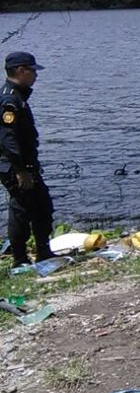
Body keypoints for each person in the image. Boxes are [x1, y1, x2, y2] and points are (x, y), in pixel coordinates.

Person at [1, 52, 56, 266]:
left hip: (27, 166)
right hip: (16, 168)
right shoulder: (9, 100)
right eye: (33, 71)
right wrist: (20, 170)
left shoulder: (19, 96)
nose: (36, 75)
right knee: (21, 211)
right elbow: (7, 138)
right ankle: (20, 259)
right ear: (21, 71)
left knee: (42, 206)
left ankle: (44, 251)